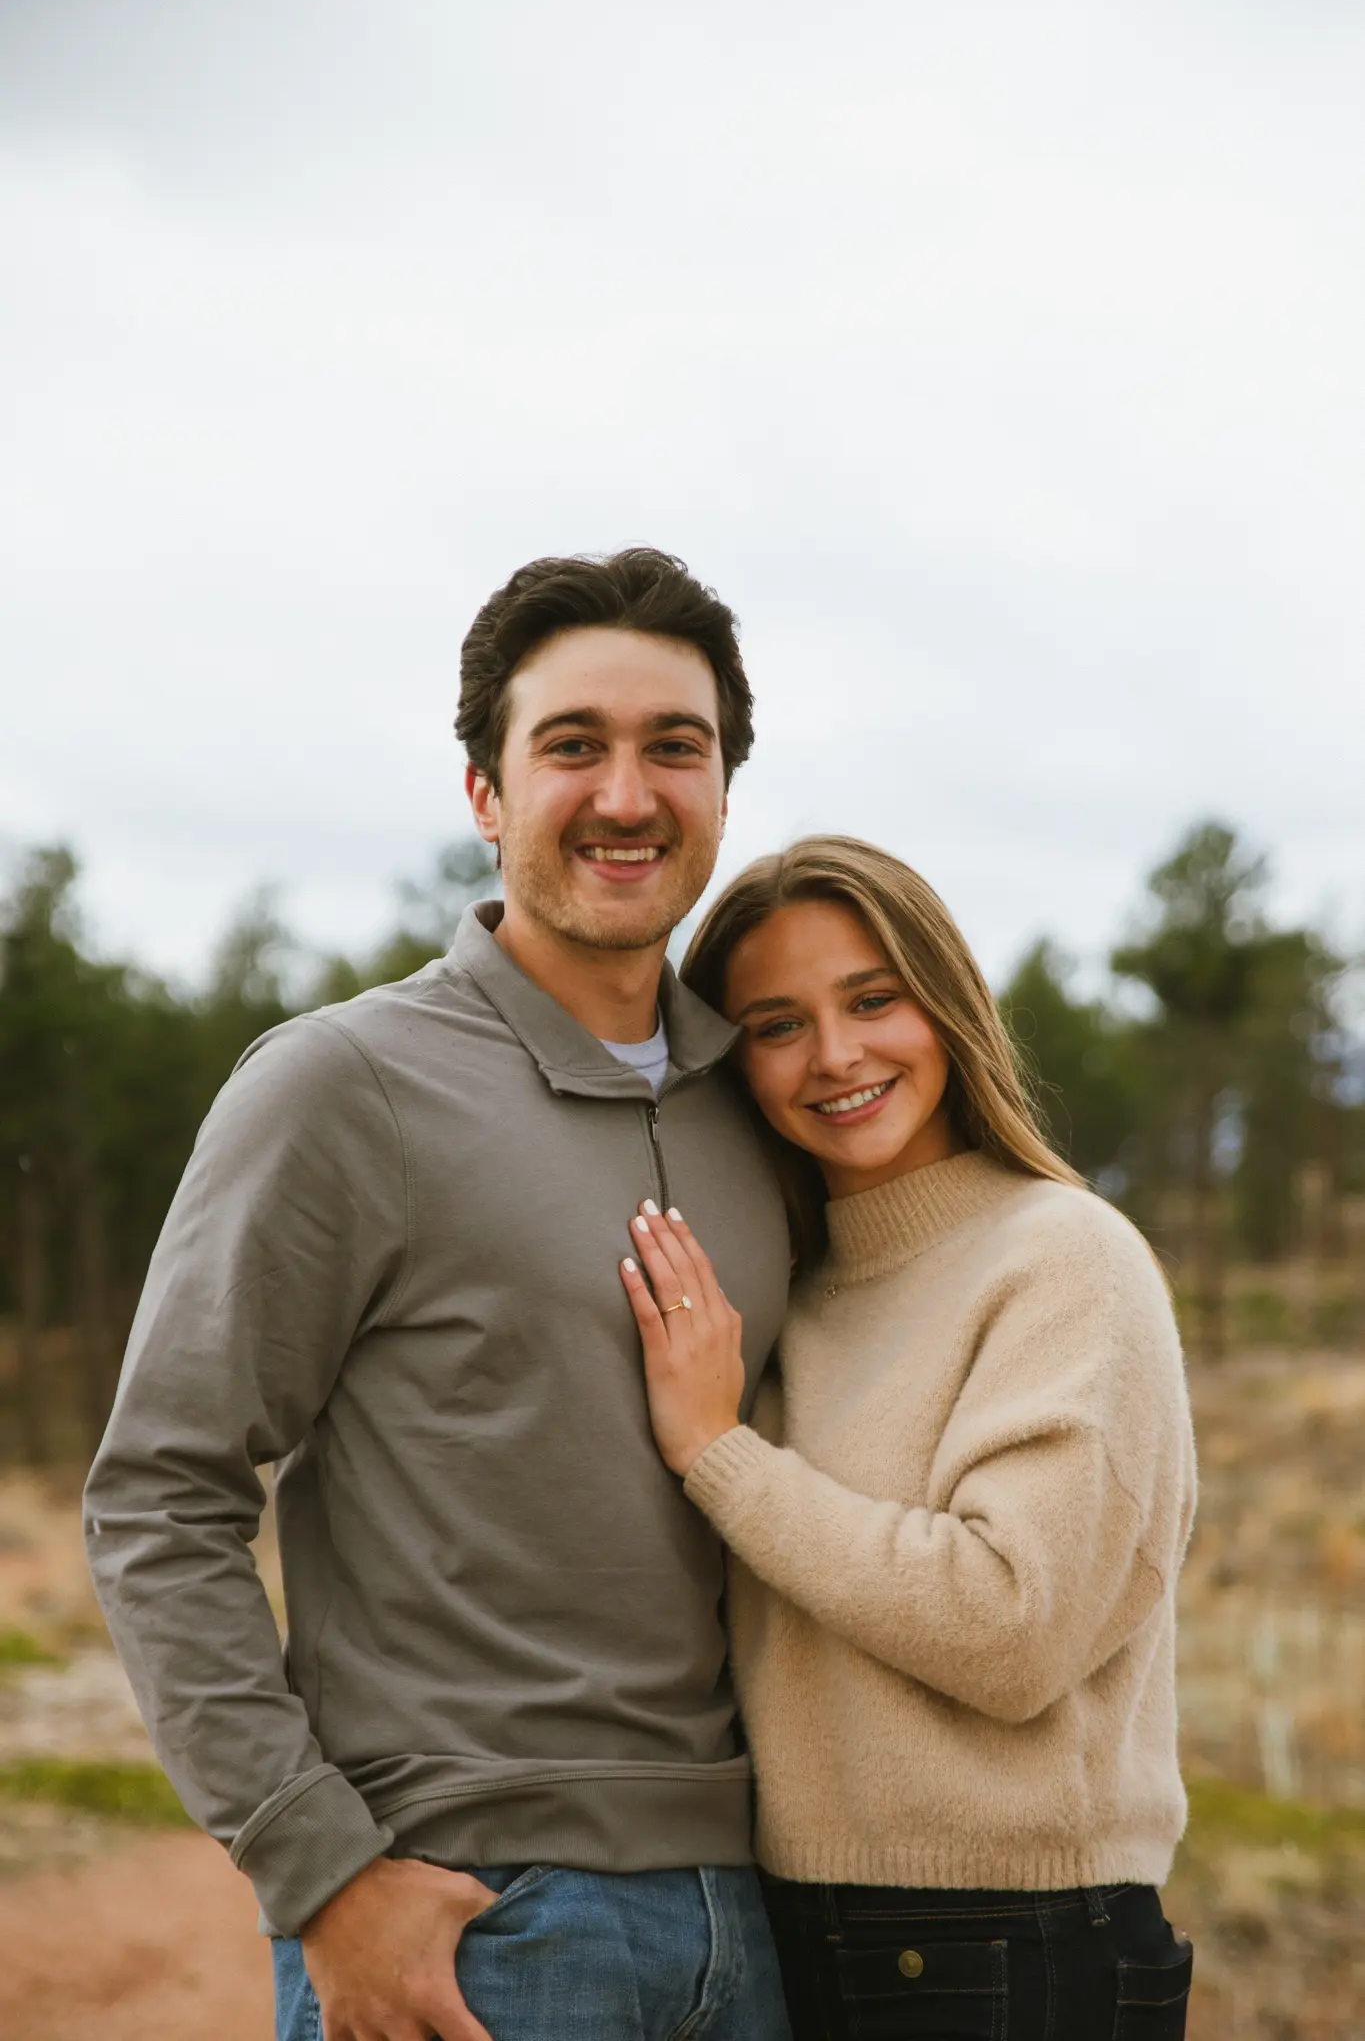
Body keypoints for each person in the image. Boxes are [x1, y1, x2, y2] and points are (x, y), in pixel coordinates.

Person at [84, 549, 795, 2041]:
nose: (626, 794)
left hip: (760, 1914)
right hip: (477, 1924)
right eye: (571, 747)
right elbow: (159, 1497)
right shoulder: (343, 1088)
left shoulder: (765, 1108)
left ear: (726, 786)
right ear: (484, 794)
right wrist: (319, 1871)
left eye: (676, 746)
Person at [620, 835, 1198, 2041]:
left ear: (946, 1002)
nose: (837, 1055)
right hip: (787, 1923)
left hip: (1014, 1944)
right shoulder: (791, 1294)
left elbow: (1012, 1623)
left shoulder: (1063, 1257)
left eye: (873, 998)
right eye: (776, 1024)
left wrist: (721, 1454)